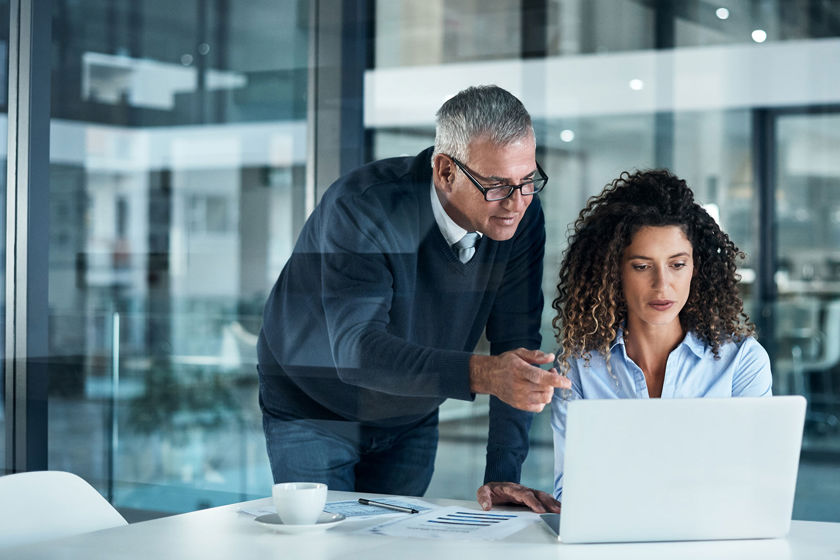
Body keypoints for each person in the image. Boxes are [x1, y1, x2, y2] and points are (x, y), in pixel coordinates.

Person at [258, 85, 571, 497]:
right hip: (314, 408)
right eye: (497, 185)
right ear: (445, 171)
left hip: (412, 410)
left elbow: (515, 345)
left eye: (528, 181)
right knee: (326, 549)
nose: (516, 203)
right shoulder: (364, 207)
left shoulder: (518, 218)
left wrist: (503, 474)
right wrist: (483, 374)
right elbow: (356, 351)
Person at [476, 169, 772, 511]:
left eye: (677, 264)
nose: (663, 286)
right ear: (614, 271)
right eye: (642, 267)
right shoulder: (580, 368)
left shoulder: (742, 362)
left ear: (696, 266)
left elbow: (758, 487)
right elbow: (574, 491)